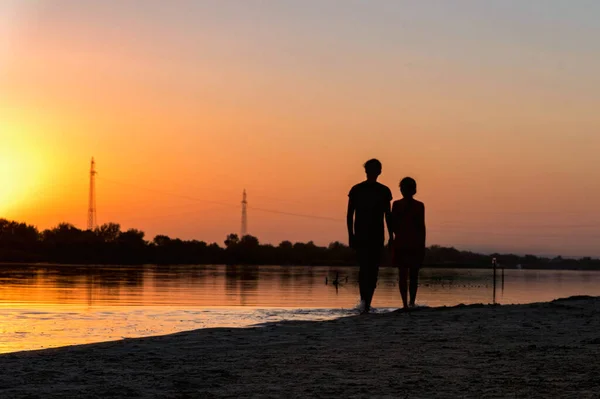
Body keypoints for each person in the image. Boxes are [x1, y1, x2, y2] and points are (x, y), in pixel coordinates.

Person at [347, 159, 393, 314]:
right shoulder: (379, 190)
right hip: (370, 235)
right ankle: (366, 303)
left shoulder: (360, 189)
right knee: (371, 270)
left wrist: (351, 235)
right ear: (379, 171)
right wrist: (392, 235)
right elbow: (388, 215)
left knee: (366, 269)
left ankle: (365, 304)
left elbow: (349, 216)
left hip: (367, 234)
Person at [392, 177, 426, 310]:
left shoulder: (419, 205)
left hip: (414, 243)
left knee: (413, 275)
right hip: (401, 242)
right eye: (402, 188)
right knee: (403, 274)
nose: (404, 190)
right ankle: (405, 304)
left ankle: (411, 302)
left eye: (406, 188)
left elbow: (421, 227)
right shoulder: (396, 204)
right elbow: (393, 224)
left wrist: (422, 245)